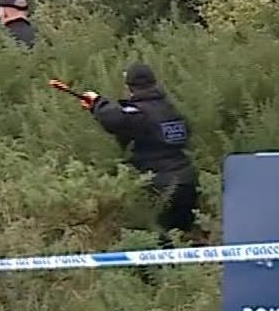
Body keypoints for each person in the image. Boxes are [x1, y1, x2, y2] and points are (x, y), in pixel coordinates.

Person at [76, 61, 197, 237]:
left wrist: (96, 102)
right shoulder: (170, 109)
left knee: (157, 237)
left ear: (129, 86)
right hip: (187, 182)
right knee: (181, 239)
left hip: (161, 185)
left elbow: (115, 119)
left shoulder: (138, 113)